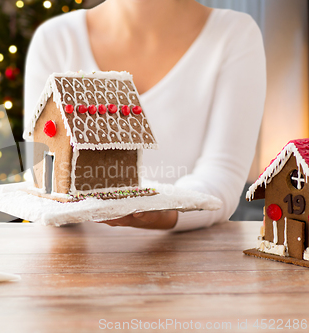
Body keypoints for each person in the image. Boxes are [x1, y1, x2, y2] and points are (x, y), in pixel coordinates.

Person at [24, 0, 266, 231]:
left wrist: (164, 211)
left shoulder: (234, 34)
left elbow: (222, 173)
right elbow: (44, 167)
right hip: (71, 257)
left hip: (186, 258)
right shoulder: (55, 39)